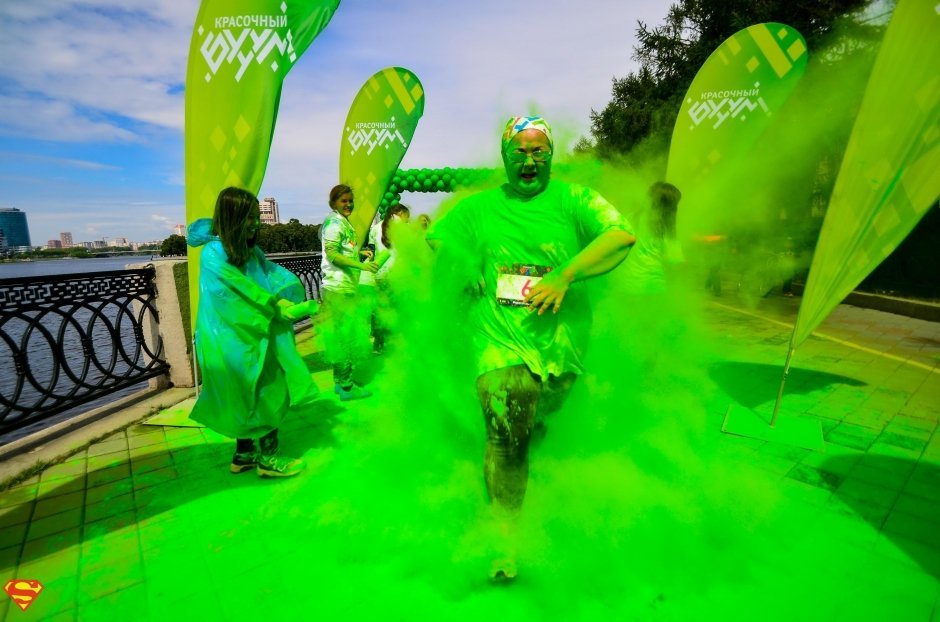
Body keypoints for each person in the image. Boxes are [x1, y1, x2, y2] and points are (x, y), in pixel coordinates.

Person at [427, 115, 636, 581]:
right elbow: (437, 238)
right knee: (506, 425)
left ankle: (518, 464)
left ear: (551, 156)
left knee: (531, 425)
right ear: (504, 156)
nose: (528, 159)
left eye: (538, 151)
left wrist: (565, 275)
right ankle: (504, 539)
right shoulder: (479, 207)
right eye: (519, 151)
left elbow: (621, 235)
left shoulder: (572, 198)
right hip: (496, 339)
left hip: (561, 347)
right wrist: (463, 265)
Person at [187, 187, 315, 478]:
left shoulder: (250, 252)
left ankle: (244, 454)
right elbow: (239, 291)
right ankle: (268, 459)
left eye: (257, 217)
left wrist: (289, 295)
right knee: (263, 390)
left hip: (249, 334)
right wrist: (276, 306)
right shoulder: (214, 254)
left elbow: (272, 276)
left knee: (246, 393)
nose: (256, 223)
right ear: (232, 218)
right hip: (233, 339)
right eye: (250, 218)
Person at [320, 184, 378, 400]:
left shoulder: (341, 222)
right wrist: (361, 266)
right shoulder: (334, 223)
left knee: (341, 338)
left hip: (341, 288)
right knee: (346, 339)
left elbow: (342, 252)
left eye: (350, 200)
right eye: (344, 201)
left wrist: (358, 255)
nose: (348, 204)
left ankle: (339, 382)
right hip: (339, 289)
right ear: (334, 202)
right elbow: (333, 255)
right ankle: (346, 386)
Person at [621, 181, 684, 295]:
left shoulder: (630, 218)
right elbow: (674, 265)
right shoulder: (666, 231)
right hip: (654, 289)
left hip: (627, 285)